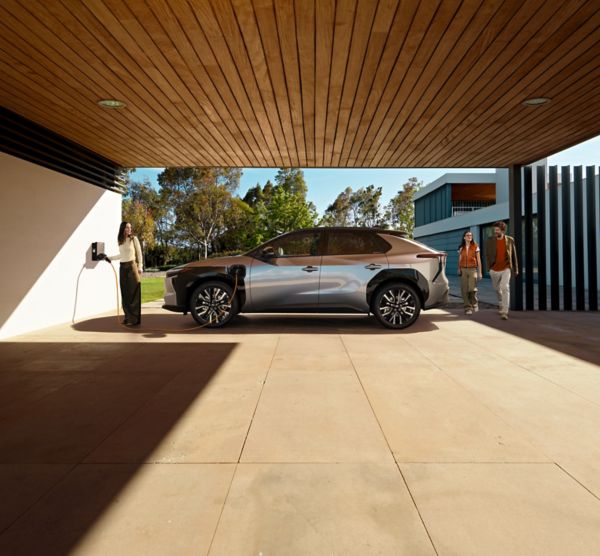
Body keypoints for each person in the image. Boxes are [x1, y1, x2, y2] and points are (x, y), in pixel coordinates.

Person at [99, 222, 143, 326]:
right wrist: (109, 258)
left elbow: (139, 253)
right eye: (127, 227)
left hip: (132, 267)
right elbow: (121, 255)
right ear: (123, 228)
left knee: (134, 294)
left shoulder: (134, 239)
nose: (129, 229)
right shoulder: (120, 240)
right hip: (122, 267)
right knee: (125, 293)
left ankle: (134, 319)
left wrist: (140, 266)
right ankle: (127, 317)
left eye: (130, 227)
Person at [484, 221, 518, 320]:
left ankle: (505, 311)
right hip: (494, 269)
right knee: (497, 288)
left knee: (505, 287)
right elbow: (486, 255)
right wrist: (489, 268)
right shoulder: (489, 240)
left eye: (497, 230)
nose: (495, 231)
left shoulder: (510, 240)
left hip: (506, 268)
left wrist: (516, 269)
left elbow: (513, 255)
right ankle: (500, 303)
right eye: (495, 230)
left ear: (502, 230)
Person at [457, 231, 482, 315]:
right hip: (463, 269)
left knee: (472, 288)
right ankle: (468, 308)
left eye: (471, 235)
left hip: (472, 269)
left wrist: (480, 272)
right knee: (464, 290)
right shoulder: (461, 248)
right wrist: (459, 268)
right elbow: (460, 259)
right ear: (464, 237)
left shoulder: (475, 246)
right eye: (467, 235)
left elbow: (478, 260)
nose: (469, 237)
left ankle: (474, 302)